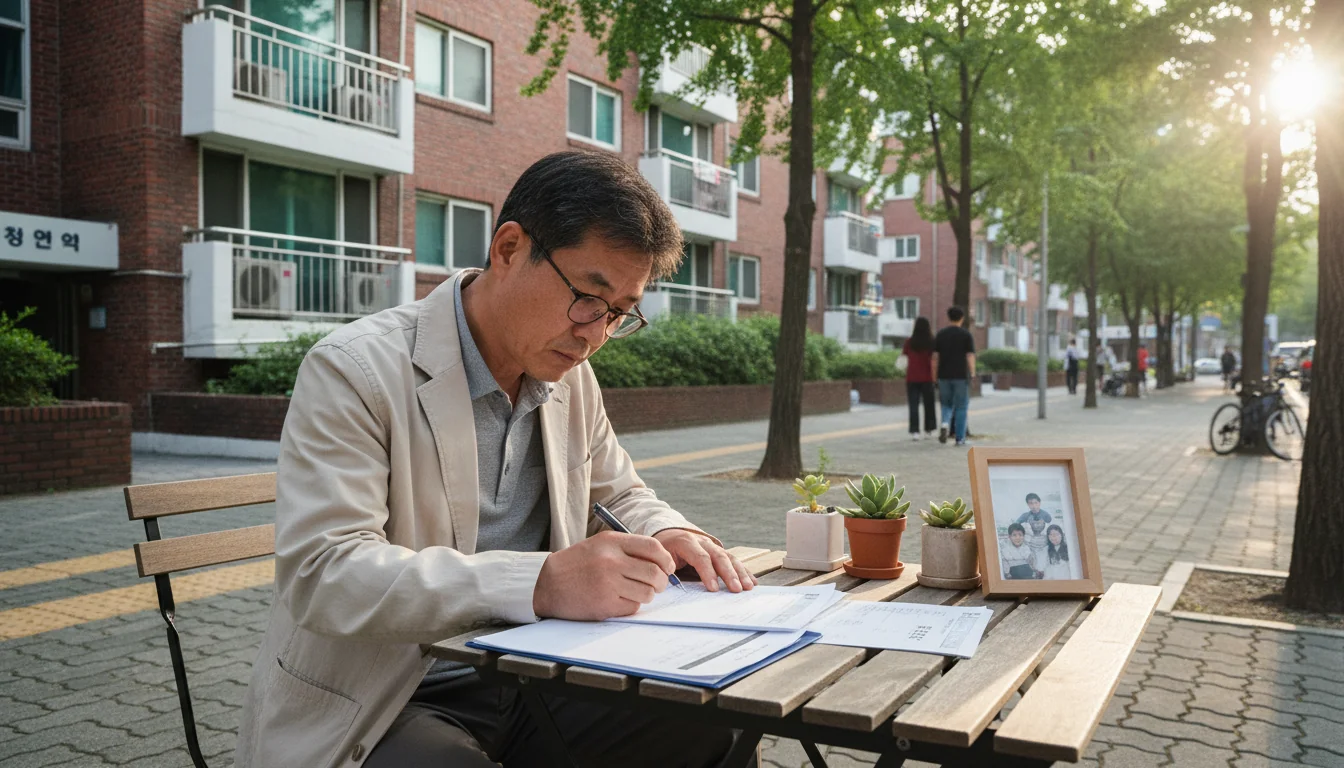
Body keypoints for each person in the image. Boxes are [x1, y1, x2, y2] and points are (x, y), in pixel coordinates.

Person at [234, 152, 757, 768]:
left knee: (712, 726)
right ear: (508, 248)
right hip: (389, 695)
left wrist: (668, 530)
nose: (595, 334)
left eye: (620, 313)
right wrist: (541, 581)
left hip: (538, 676)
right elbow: (324, 573)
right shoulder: (355, 368)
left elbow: (617, 494)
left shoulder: (569, 376)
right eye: (589, 296)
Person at [931, 306, 976, 446]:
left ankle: (945, 424)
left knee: (946, 404)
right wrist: (973, 372)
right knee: (961, 406)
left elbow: (934, 358)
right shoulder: (966, 335)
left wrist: (934, 376)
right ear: (962, 318)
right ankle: (960, 438)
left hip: (943, 375)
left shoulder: (941, 334)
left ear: (948, 318)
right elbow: (970, 355)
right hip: (961, 376)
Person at [902, 317, 937, 440]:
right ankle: (929, 430)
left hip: (912, 377)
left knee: (913, 405)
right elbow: (934, 359)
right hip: (927, 378)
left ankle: (914, 432)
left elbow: (904, 356)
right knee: (929, 404)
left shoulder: (909, 342)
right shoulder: (932, 342)